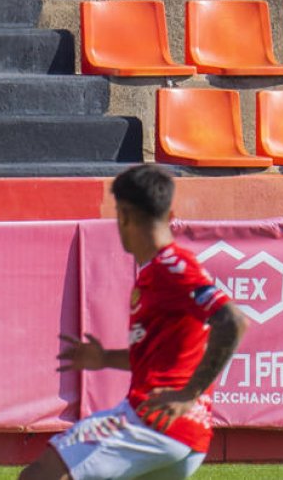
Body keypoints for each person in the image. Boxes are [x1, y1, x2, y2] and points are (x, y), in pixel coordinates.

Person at [21, 164, 248, 480]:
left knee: (39, 475)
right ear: (170, 216)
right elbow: (164, 357)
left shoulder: (172, 265)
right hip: (187, 438)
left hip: (152, 422)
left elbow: (233, 320)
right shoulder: (160, 271)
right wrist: (105, 359)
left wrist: (189, 393)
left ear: (124, 216)